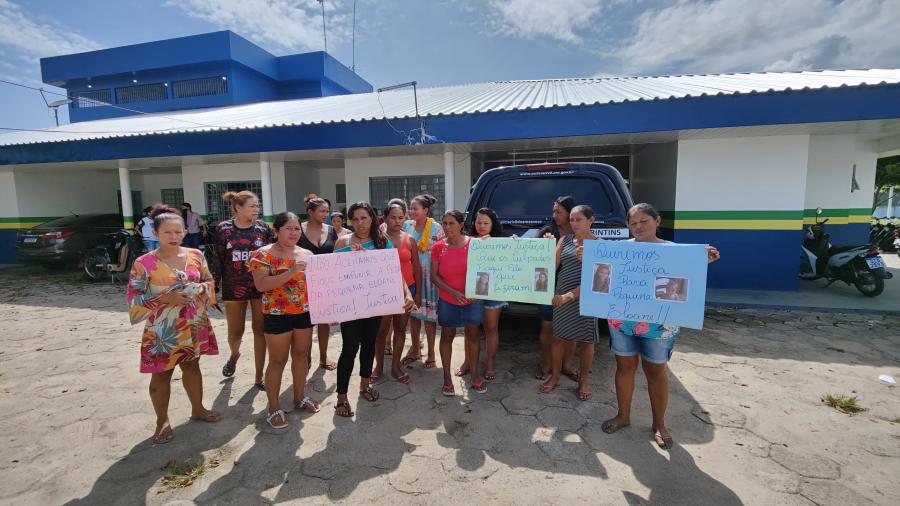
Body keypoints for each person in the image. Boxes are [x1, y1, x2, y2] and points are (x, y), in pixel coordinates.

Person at [602, 203, 721, 450]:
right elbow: (602, 275)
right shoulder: (617, 251)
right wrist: (588, 259)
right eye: (633, 223)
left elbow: (685, 282)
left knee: (656, 372)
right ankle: (623, 416)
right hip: (621, 321)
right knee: (624, 367)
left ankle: (659, 425)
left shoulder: (674, 252)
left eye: (643, 221)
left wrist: (702, 263)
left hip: (659, 325)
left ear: (657, 221)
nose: (637, 227)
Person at [126, 205, 220, 444]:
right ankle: (162, 420)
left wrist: (201, 288)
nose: (174, 237)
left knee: (192, 367)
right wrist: (165, 298)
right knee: (161, 374)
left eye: (178, 232)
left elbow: (209, 280)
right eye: (167, 232)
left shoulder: (195, 256)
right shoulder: (144, 263)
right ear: (155, 233)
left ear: (185, 232)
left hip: (193, 323)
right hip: (163, 330)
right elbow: (134, 298)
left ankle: (197, 409)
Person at [333, 201, 416, 417]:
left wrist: (406, 293)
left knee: (369, 344)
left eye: (365, 218)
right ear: (351, 221)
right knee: (349, 349)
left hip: (375, 304)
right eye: (356, 219)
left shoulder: (382, 242)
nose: (360, 223)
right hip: (350, 306)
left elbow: (394, 272)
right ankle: (341, 397)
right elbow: (332, 277)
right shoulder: (342, 242)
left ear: (373, 219)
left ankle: (364, 385)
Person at [249, 212, 320, 430]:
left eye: (297, 228)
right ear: (276, 230)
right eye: (288, 228)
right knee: (277, 361)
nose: (293, 232)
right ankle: (273, 407)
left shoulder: (307, 253)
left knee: (301, 356)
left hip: (304, 313)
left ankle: (299, 397)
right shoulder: (262, 254)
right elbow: (261, 285)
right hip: (277, 314)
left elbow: (319, 285)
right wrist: (291, 271)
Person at [209, 191, 274, 390]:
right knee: (235, 333)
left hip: (259, 287)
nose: (257, 210)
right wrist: (213, 287)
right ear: (238, 207)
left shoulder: (263, 228)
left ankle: (258, 376)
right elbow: (216, 259)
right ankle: (234, 355)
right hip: (233, 287)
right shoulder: (223, 229)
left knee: (260, 331)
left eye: (258, 206)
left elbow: (274, 254)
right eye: (252, 206)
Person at [540, 205, 599, 402]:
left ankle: (584, 381)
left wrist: (570, 295)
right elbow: (551, 265)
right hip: (561, 295)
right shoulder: (565, 240)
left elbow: (599, 278)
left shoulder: (600, 245)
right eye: (572, 220)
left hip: (586, 297)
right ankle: (555, 376)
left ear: (591, 220)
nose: (573, 223)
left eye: (578, 219)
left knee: (586, 341)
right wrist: (544, 246)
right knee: (558, 338)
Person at [432, 210, 486, 396]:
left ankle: (475, 376)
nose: (447, 227)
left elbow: (490, 265)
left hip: (473, 300)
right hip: (448, 300)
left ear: (461, 225)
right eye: (444, 223)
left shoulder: (476, 245)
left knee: (473, 335)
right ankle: (447, 378)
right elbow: (434, 276)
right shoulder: (438, 247)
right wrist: (453, 293)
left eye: (452, 223)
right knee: (447, 336)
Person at [378, 199, 422, 384]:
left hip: (407, 292)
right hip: (383, 293)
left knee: (400, 330)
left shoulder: (409, 239)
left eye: (401, 217)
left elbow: (417, 268)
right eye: (393, 217)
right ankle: (378, 367)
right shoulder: (378, 240)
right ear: (385, 218)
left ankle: (396, 367)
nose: (397, 221)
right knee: (380, 332)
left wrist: (418, 293)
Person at [535, 196, 578, 381]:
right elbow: (531, 255)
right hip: (548, 287)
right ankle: (546, 363)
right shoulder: (547, 231)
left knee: (570, 329)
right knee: (547, 326)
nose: (555, 215)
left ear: (570, 213)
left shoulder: (580, 234)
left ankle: (566, 365)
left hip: (570, 287)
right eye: (554, 211)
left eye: (559, 211)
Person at [401, 194, 445, 369]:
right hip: (412, 277)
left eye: (415, 209)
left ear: (426, 211)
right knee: (413, 315)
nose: (412, 212)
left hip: (430, 279)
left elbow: (443, 252)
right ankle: (415, 350)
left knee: (429, 317)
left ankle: (432, 354)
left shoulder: (436, 228)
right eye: (410, 209)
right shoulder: (406, 226)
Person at [298, 194, 339, 372]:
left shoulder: (331, 230)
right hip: (302, 283)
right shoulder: (297, 230)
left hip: (326, 284)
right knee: (305, 323)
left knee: (324, 322)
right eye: (321, 211)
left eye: (327, 211)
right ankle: (305, 356)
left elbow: (338, 254)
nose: (325, 214)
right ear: (310, 212)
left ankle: (323, 357)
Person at [469, 207, 506, 381]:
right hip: (472, 291)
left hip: (493, 292)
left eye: (486, 223)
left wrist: (514, 245)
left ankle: (490, 363)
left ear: (493, 225)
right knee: (471, 329)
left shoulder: (500, 243)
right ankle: (468, 362)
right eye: (479, 222)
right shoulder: (467, 241)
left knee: (491, 328)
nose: (482, 226)